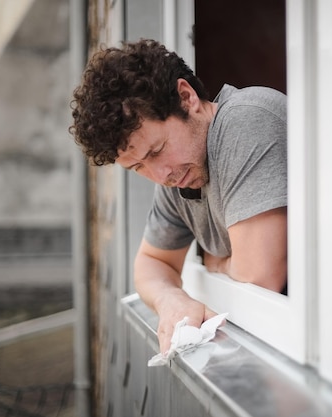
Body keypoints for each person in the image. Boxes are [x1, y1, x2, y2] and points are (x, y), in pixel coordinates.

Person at [70, 39, 288, 356]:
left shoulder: (245, 120)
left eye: (156, 151)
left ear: (187, 98)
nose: (159, 176)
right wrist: (170, 298)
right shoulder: (178, 175)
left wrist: (215, 263)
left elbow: (258, 278)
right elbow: (151, 263)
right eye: (138, 168)